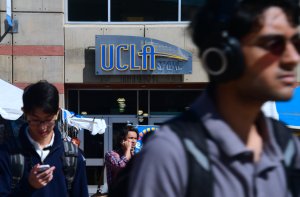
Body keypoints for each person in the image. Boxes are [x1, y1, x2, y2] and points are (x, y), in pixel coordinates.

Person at [128, 0, 300, 197]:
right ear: (223, 56)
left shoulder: (287, 146)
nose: (293, 58)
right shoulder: (170, 153)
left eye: (296, 43)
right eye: (274, 44)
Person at [0, 80, 89, 197]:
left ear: (57, 113)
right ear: (25, 113)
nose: (43, 127)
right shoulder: (7, 153)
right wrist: (29, 186)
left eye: (48, 119)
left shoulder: (72, 156)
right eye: (36, 120)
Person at [105, 124, 138, 190]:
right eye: (131, 138)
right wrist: (127, 149)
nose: (134, 141)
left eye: (135, 138)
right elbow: (121, 167)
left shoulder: (135, 155)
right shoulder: (111, 154)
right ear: (122, 140)